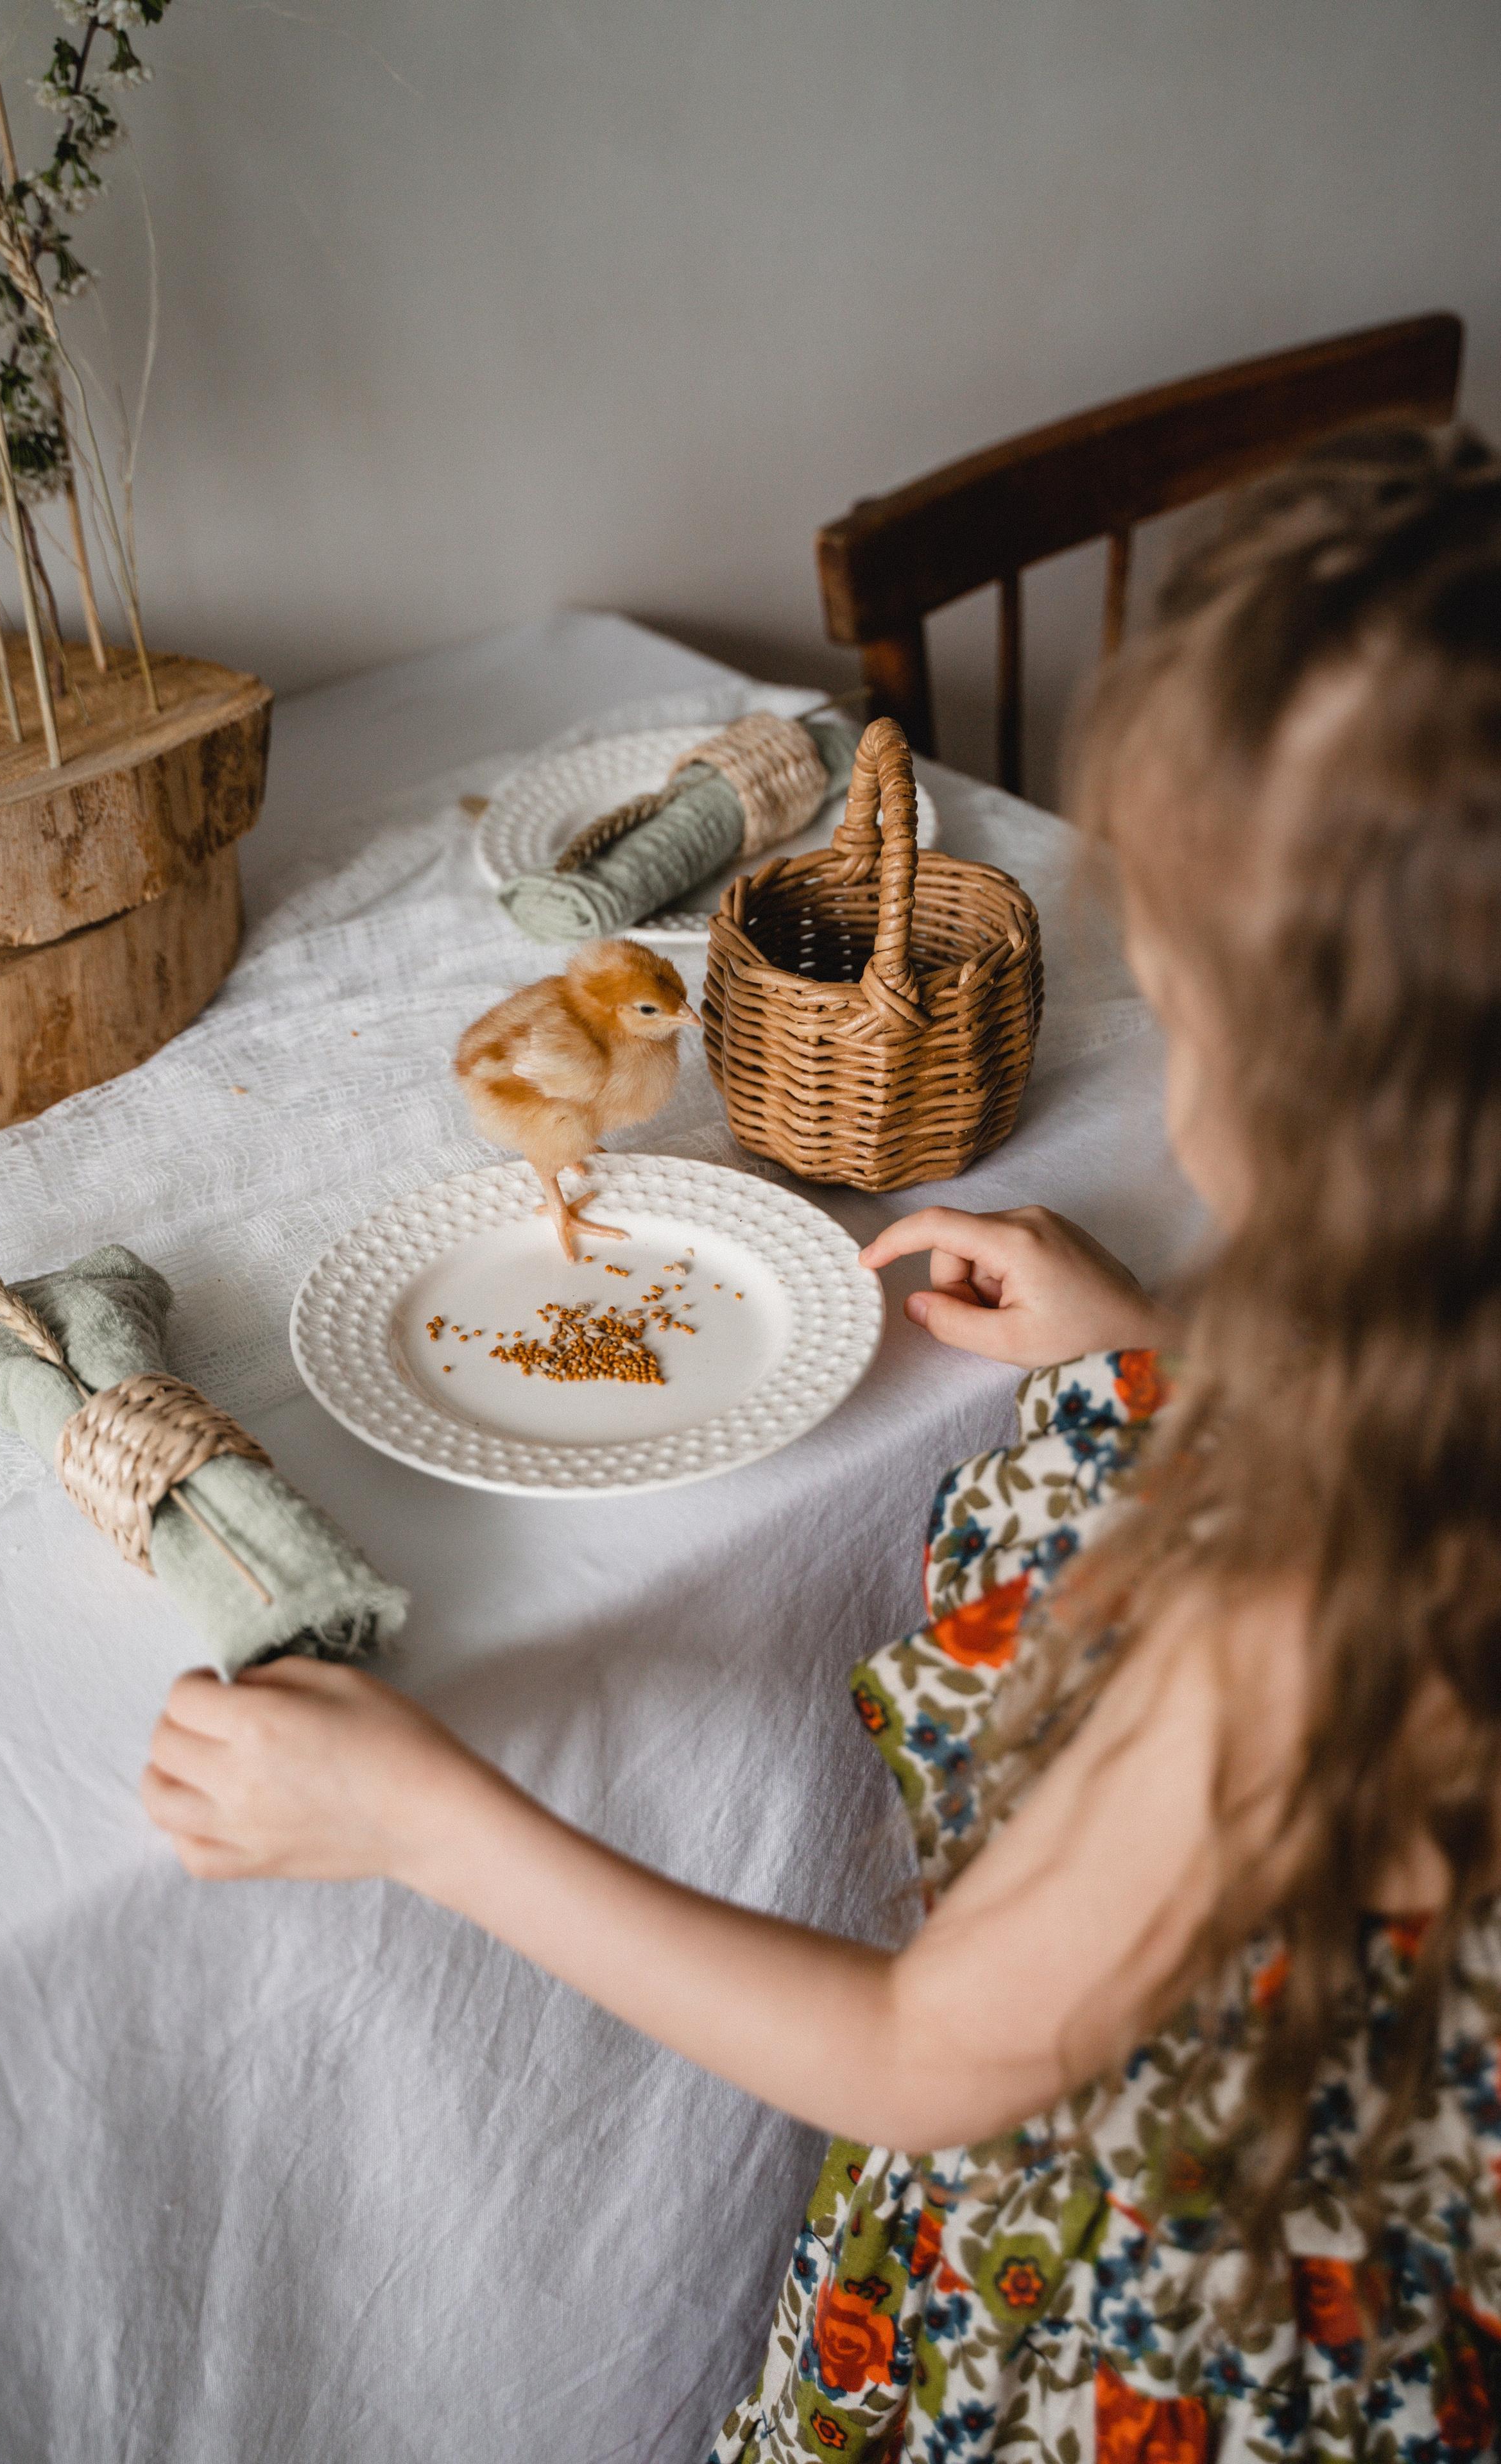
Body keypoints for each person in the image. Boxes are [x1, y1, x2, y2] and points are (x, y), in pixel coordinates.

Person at [142, 425, 1501, 2460]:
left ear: (1342, 1115)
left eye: (1189, 1002)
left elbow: (921, 2053)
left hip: (1174, 2357)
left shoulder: (1308, 1620)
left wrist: (427, 1819)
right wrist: (1162, 1350)